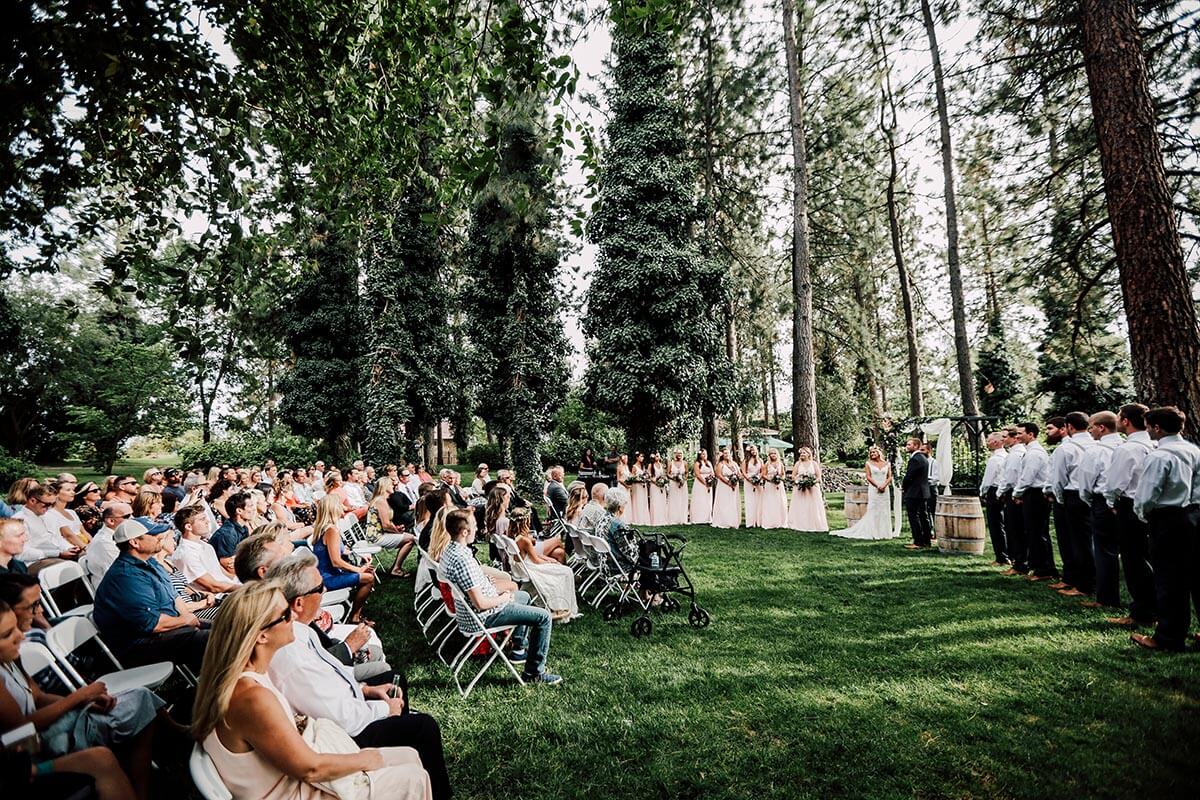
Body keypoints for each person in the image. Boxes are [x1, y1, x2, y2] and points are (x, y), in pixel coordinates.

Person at [191, 580, 432, 800]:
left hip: (288, 777)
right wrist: (365, 758)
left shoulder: (246, 677)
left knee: (410, 755)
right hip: (293, 790)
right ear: (262, 636)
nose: (293, 618)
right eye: (285, 615)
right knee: (413, 775)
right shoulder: (252, 696)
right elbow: (310, 768)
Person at [264, 552, 449, 799]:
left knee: (394, 679)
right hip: (345, 736)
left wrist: (365, 689)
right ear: (298, 603)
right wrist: (386, 711)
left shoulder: (301, 631)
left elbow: (331, 676)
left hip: (346, 710)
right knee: (424, 727)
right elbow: (340, 718)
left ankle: (404, 749)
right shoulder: (291, 653)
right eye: (320, 587)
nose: (326, 590)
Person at [0, 598, 164, 800]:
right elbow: (23, 729)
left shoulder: (11, 659)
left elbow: (39, 697)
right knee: (102, 756)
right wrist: (79, 697)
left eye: (15, 627)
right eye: (7, 635)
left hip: (44, 735)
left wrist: (86, 702)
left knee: (141, 699)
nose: (21, 637)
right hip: (31, 754)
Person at [440, 508, 562, 685]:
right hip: (483, 615)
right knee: (543, 617)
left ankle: (519, 648)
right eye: (474, 526)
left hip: (479, 607)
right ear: (464, 532)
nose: (478, 529)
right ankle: (534, 673)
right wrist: (504, 598)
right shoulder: (462, 560)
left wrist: (492, 586)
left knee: (524, 595)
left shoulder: (451, 550)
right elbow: (481, 603)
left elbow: (474, 585)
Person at [92, 519, 210, 672]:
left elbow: (174, 596)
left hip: (166, 630)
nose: (159, 536)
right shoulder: (126, 576)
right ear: (135, 542)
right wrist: (185, 620)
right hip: (140, 646)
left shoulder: (150, 563)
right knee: (213, 638)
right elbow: (153, 624)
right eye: (153, 534)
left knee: (228, 626)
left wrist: (189, 618)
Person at [1130, 406, 1200, 652]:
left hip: (1168, 519)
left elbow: (1147, 495)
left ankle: (1169, 637)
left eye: (1149, 426)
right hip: (1194, 514)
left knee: (1170, 578)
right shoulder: (1194, 451)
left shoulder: (1159, 456)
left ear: (1157, 428)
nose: (1147, 430)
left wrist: (1143, 515)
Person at [1103, 403, 1157, 629]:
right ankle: (1154, 607)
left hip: (1130, 505)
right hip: (1154, 507)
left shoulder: (1126, 449)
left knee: (1134, 560)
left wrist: (1111, 502)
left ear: (1125, 421)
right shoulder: (1155, 444)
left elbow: (1116, 483)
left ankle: (1142, 612)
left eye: (1118, 416)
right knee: (1149, 558)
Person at [1078, 411, 1123, 610]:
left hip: (1103, 502)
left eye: (1092, 427)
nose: (1090, 431)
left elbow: (1086, 483)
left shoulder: (1096, 451)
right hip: (1127, 503)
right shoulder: (1127, 446)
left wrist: (1090, 501)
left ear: (1101, 427)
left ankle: (1106, 598)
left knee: (1104, 550)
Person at [310, 494, 375, 623]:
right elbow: (336, 562)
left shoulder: (327, 528)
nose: (344, 508)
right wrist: (358, 569)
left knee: (368, 573)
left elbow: (340, 550)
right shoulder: (331, 530)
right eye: (341, 505)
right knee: (369, 578)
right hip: (327, 578)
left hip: (325, 575)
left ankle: (357, 610)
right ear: (333, 508)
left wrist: (359, 555)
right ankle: (355, 617)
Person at [1050, 412, 1094, 596]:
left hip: (1072, 496)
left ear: (1069, 427)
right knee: (1086, 541)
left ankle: (1083, 584)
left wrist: (1060, 499)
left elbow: (1058, 479)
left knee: (1077, 542)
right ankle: (1073, 578)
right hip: (1092, 495)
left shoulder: (1065, 449)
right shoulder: (1096, 444)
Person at [508, 507, 579, 622]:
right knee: (566, 571)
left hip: (523, 566)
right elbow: (536, 560)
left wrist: (547, 558)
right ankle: (560, 606)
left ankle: (561, 605)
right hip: (530, 568)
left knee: (559, 556)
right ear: (526, 522)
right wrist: (552, 562)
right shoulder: (524, 540)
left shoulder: (515, 536)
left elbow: (533, 555)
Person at [1013, 422, 1058, 581]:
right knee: (1033, 531)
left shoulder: (1034, 453)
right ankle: (1040, 567)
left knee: (1037, 532)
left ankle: (1044, 569)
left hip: (1035, 494)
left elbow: (1027, 477)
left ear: (1031, 434)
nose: (1017, 436)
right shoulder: (1030, 451)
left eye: (1020, 433)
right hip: (1032, 493)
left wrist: (1017, 493)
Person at [170, 506, 240, 594]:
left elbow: (224, 574)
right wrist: (246, 588)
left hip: (230, 590)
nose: (207, 521)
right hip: (217, 598)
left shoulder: (206, 546)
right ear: (188, 526)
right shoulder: (186, 554)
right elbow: (214, 587)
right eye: (202, 519)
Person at [833, 447, 895, 540]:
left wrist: (884, 485)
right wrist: (877, 486)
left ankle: (884, 532)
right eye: (871, 453)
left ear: (879, 453)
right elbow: (868, 477)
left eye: (874, 452)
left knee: (884, 510)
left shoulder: (887, 464)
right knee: (873, 509)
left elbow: (889, 476)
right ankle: (873, 531)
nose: (872, 454)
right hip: (874, 489)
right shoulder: (868, 463)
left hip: (884, 490)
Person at [15, 487, 81, 570]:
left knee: (86, 557)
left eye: (53, 504)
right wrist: (58, 554)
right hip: (34, 561)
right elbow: (22, 553)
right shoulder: (18, 520)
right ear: (32, 501)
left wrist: (69, 548)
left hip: (57, 555)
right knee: (68, 568)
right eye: (47, 504)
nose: (49, 508)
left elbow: (58, 539)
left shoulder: (50, 516)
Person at [367, 477, 417, 577]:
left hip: (380, 533)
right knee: (411, 539)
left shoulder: (383, 500)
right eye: (390, 484)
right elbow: (386, 525)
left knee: (409, 537)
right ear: (385, 487)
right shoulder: (380, 501)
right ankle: (396, 569)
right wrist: (397, 532)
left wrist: (397, 529)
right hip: (376, 536)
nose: (393, 485)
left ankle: (395, 567)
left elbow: (387, 523)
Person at [998, 428, 1029, 576]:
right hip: (1018, 492)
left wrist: (1001, 492)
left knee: (1015, 530)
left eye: (1005, 437)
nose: (1003, 439)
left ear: (1014, 438)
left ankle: (1020, 564)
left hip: (1014, 493)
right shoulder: (1018, 453)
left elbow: (1009, 477)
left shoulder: (1015, 455)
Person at [979, 432, 1009, 565]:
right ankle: (1008, 554)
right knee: (1004, 524)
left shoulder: (995, 459)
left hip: (994, 490)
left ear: (996, 442)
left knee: (995, 525)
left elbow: (987, 480)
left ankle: (1001, 557)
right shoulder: (1007, 456)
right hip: (1004, 491)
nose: (987, 442)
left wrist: (982, 492)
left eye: (989, 440)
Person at [209, 491, 252, 578]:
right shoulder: (228, 533)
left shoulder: (244, 528)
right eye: (250, 506)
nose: (254, 509)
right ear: (239, 511)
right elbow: (228, 565)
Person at [787, 447, 829, 532]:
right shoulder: (798, 464)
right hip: (800, 489)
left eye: (804, 453)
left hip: (812, 489)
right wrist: (798, 481)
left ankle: (814, 524)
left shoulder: (814, 464)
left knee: (813, 506)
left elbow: (818, 476)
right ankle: (800, 524)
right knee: (801, 505)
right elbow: (793, 476)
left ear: (809, 454)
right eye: (801, 453)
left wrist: (812, 482)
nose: (802, 454)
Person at [901, 438, 932, 549]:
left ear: (916, 446)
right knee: (924, 516)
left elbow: (909, 476)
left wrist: (904, 487)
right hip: (923, 492)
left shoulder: (915, 459)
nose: (907, 446)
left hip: (914, 492)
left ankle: (918, 541)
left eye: (909, 444)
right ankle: (927, 540)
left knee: (914, 516)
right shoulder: (923, 458)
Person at [44, 480, 87, 549]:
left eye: (73, 490)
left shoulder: (71, 512)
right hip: (71, 546)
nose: (73, 492)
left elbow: (83, 531)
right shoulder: (51, 513)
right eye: (68, 490)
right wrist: (86, 548)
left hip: (83, 542)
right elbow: (68, 535)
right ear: (57, 494)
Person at [710, 451, 742, 529]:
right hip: (723, 486)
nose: (726, 455)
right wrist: (728, 482)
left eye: (728, 453)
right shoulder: (720, 464)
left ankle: (733, 520)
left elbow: (739, 473)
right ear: (722, 455)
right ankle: (723, 521)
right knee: (724, 502)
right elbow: (719, 475)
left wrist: (736, 479)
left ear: (730, 454)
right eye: (725, 453)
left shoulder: (734, 464)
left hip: (734, 486)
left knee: (732, 502)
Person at [759, 449, 789, 529]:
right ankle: (770, 521)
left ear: (777, 454)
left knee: (780, 502)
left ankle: (781, 522)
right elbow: (763, 475)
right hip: (770, 485)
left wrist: (780, 479)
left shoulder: (780, 463)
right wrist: (770, 479)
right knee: (770, 502)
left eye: (774, 453)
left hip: (779, 485)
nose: (773, 455)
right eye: (771, 453)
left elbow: (783, 474)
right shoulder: (767, 464)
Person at [742, 446, 764, 528]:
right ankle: (751, 522)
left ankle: (759, 521)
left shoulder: (760, 460)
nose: (753, 451)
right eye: (751, 450)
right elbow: (743, 472)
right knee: (750, 501)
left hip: (758, 482)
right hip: (748, 482)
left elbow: (763, 471)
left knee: (759, 501)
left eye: (754, 449)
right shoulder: (746, 461)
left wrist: (758, 478)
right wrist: (749, 479)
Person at [691, 449, 714, 525]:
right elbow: (697, 475)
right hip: (700, 484)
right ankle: (698, 518)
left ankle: (707, 518)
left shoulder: (709, 463)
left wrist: (710, 480)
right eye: (702, 454)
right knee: (700, 500)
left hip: (709, 483)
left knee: (707, 500)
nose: (704, 455)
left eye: (705, 454)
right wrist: (705, 483)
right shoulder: (697, 463)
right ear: (699, 455)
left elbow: (712, 473)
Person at [646, 454, 668, 526]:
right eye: (656, 456)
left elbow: (664, 475)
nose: (657, 457)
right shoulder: (650, 465)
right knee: (655, 502)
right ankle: (655, 520)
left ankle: (662, 519)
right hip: (654, 486)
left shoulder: (661, 465)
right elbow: (648, 476)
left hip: (661, 486)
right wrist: (656, 482)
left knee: (662, 501)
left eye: (658, 456)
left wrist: (663, 481)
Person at [615, 455, 632, 524]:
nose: (627, 460)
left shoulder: (627, 467)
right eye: (625, 459)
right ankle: (621, 517)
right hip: (622, 486)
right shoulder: (619, 467)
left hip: (627, 486)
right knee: (622, 501)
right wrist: (626, 485)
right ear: (622, 459)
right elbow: (618, 479)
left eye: (627, 458)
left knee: (627, 501)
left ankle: (628, 518)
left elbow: (629, 476)